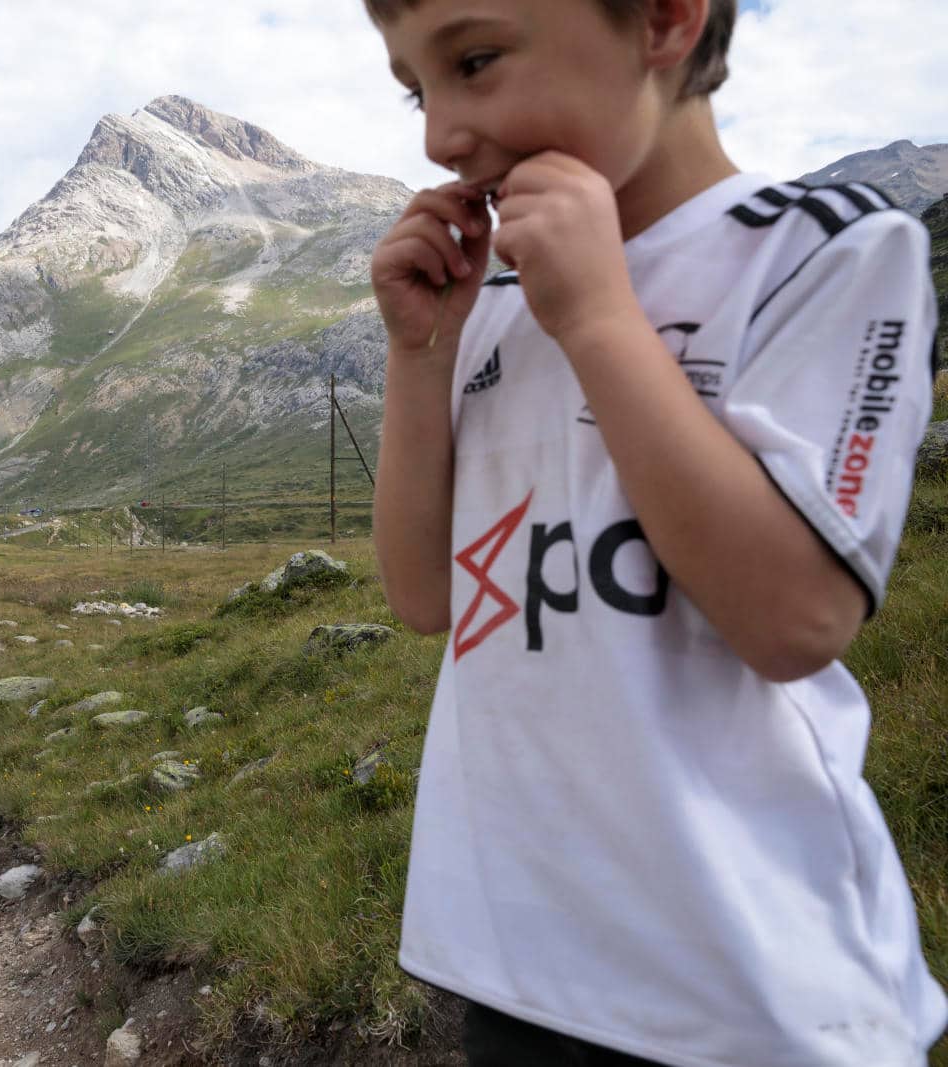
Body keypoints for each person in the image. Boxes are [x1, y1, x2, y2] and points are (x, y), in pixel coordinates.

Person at [362, 0, 944, 1064]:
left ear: (666, 21)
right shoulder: (492, 302)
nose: (438, 134)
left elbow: (795, 618)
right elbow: (424, 597)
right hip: (519, 962)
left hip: (748, 987)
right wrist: (420, 356)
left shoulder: (831, 251)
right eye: (415, 87)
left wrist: (596, 318)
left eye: (475, 60)